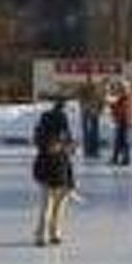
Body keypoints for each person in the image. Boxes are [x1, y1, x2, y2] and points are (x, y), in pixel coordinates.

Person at [32, 97, 76, 245]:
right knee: (52, 208)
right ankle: (48, 233)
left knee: (50, 207)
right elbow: (67, 158)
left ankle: (47, 234)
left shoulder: (43, 137)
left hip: (55, 178)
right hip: (55, 178)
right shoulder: (61, 129)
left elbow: (67, 160)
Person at [108, 79, 132, 167]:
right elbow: (117, 107)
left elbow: (122, 108)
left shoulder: (127, 97)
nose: (120, 89)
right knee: (118, 141)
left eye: (122, 87)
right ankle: (116, 158)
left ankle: (125, 159)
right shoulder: (123, 97)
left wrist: (113, 106)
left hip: (125, 121)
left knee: (124, 141)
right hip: (122, 121)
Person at [77, 80, 105, 160]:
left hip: (92, 115)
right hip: (90, 114)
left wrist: (98, 110)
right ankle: (90, 151)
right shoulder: (87, 95)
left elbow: (101, 103)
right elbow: (100, 103)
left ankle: (91, 151)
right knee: (91, 133)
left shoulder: (93, 95)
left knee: (93, 133)